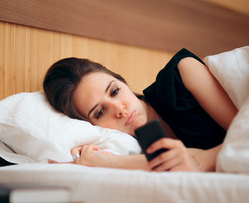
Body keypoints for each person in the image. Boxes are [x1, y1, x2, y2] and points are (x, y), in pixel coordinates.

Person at [43, 48, 238, 172]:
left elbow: (244, 134)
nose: (119, 109)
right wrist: (102, 160)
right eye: (100, 113)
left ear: (124, 82)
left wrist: (200, 162)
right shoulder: (132, 147)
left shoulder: (182, 74)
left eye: (115, 91)